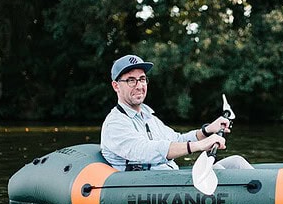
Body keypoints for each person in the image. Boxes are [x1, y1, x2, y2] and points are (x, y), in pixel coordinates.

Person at [100, 54, 252, 171]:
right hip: (147, 187)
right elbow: (145, 150)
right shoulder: (115, 123)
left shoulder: (149, 117)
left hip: (169, 178)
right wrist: (199, 145)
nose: (139, 85)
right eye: (131, 80)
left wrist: (207, 130)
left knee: (236, 162)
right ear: (116, 86)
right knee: (218, 171)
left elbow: (177, 139)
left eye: (142, 79)